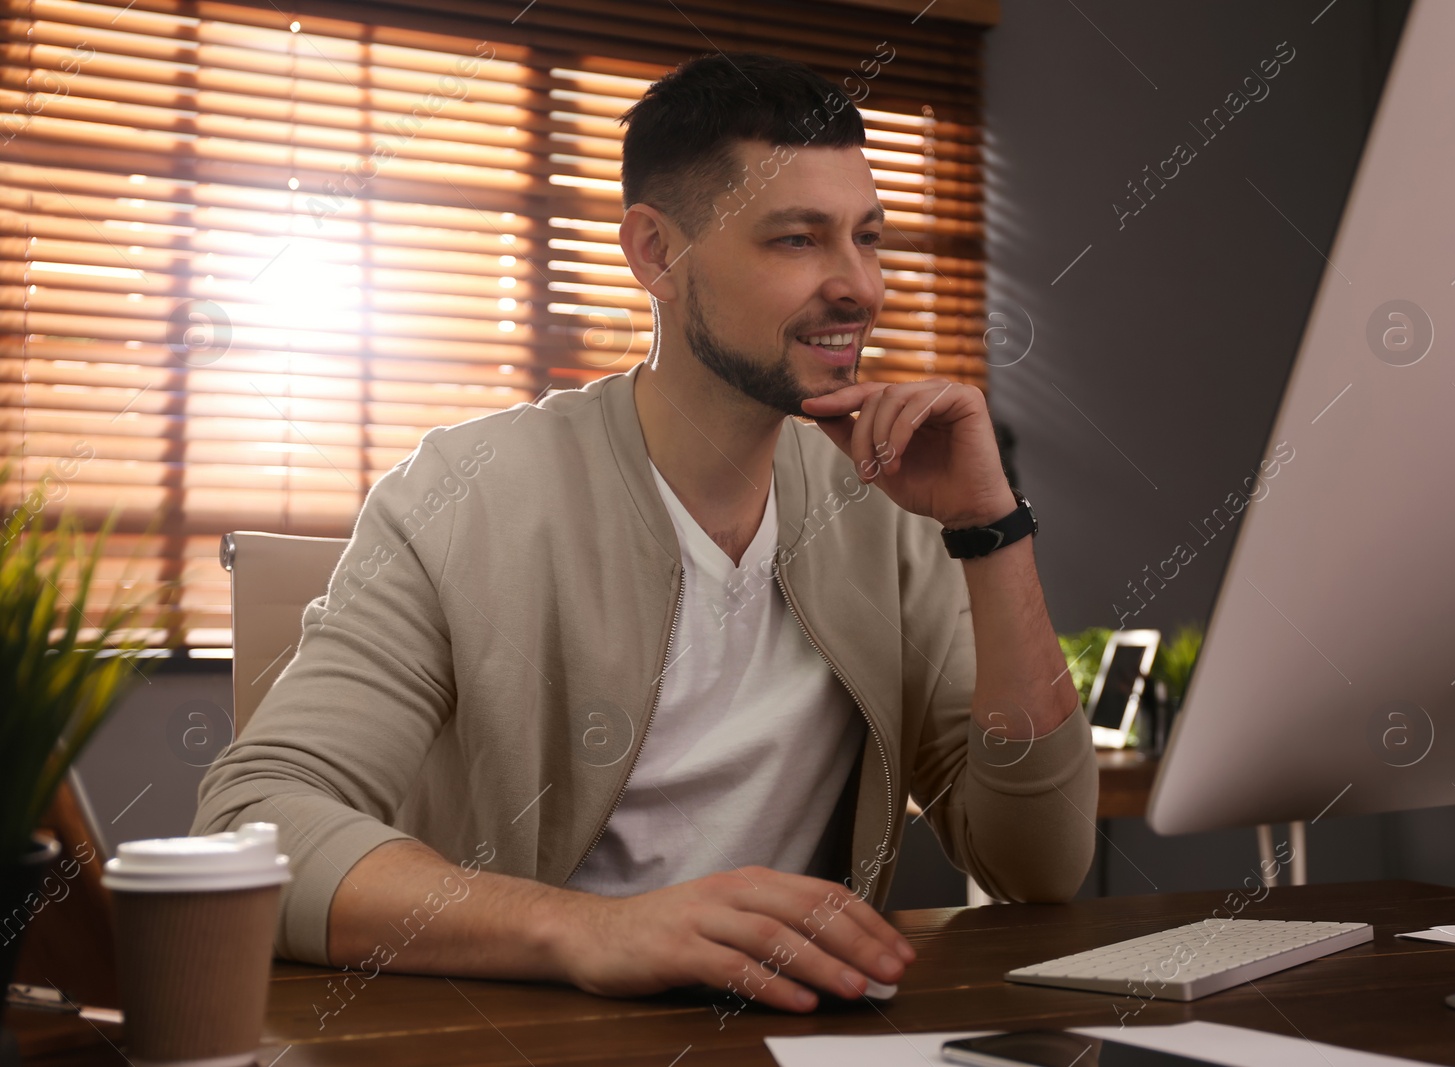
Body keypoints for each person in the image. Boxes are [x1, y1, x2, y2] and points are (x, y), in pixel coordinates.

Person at [192, 51, 1096, 1016]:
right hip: (523, 1036)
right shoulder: (464, 494)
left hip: (792, 1037)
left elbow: (1036, 866)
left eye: (867, 239)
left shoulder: (884, 502)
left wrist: (989, 530)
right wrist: (594, 929)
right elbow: (252, 827)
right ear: (656, 254)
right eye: (797, 241)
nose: (858, 287)